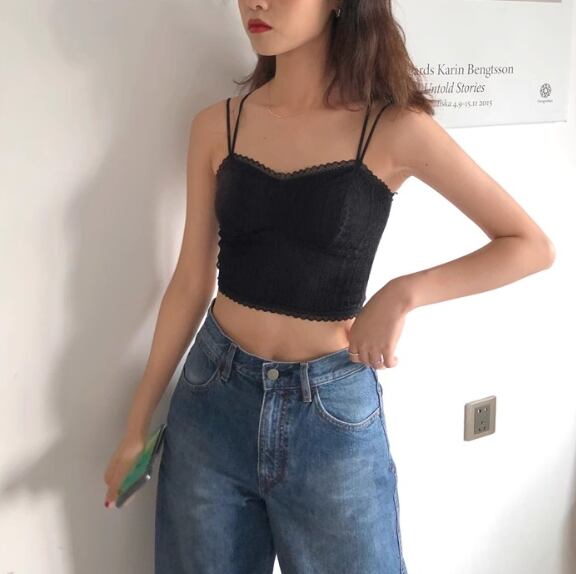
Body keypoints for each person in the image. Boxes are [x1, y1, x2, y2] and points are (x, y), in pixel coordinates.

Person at [103, 1, 556, 572]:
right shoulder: (218, 125)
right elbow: (191, 279)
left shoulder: (393, 128)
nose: (256, 2)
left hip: (330, 415)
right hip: (212, 401)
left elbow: (528, 244)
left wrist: (403, 293)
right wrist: (136, 424)